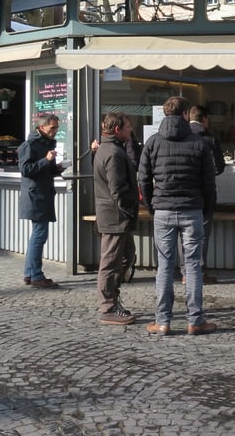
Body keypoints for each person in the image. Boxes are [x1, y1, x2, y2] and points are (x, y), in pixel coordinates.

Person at [138, 96, 218, 336]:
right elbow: (209, 182)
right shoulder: (199, 143)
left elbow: (143, 178)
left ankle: (162, 321)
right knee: (192, 266)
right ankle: (195, 320)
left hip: (163, 210)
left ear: (165, 114)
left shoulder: (152, 142)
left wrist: (153, 204)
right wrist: (207, 207)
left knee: (164, 265)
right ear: (185, 114)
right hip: (192, 209)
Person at [93, 112, 139, 325]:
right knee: (110, 261)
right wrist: (129, 209)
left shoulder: (111, 148)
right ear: (117, 129)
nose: (131, 129)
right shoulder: (112, 152)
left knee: (127, 255)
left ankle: (113, 297)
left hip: (117, 215)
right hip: (115, 216)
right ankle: (108, 307)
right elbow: (117, 189)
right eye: (128, 126)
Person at [17, 113, 65, 289]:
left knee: (37, 235)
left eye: (57, 128)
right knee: (39, 235)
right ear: (42, 127)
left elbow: (45, 170)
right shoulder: (30, 145)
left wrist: (57, 168)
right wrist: (47, 160)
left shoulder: (46, 144)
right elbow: (26, 170)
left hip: (42, 194)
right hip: (35, 196)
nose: (55, 131)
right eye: (52, 128)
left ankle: (30, 274)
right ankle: (36, 275)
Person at [188, 104, 225, 283]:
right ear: (204, 119)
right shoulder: (209, 139)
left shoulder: (182, 136)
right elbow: (219, 167)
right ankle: (199, 272)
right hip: (205, 193)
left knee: (185, 234)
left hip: (185, 193)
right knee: (202, 234)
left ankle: (186, 272)